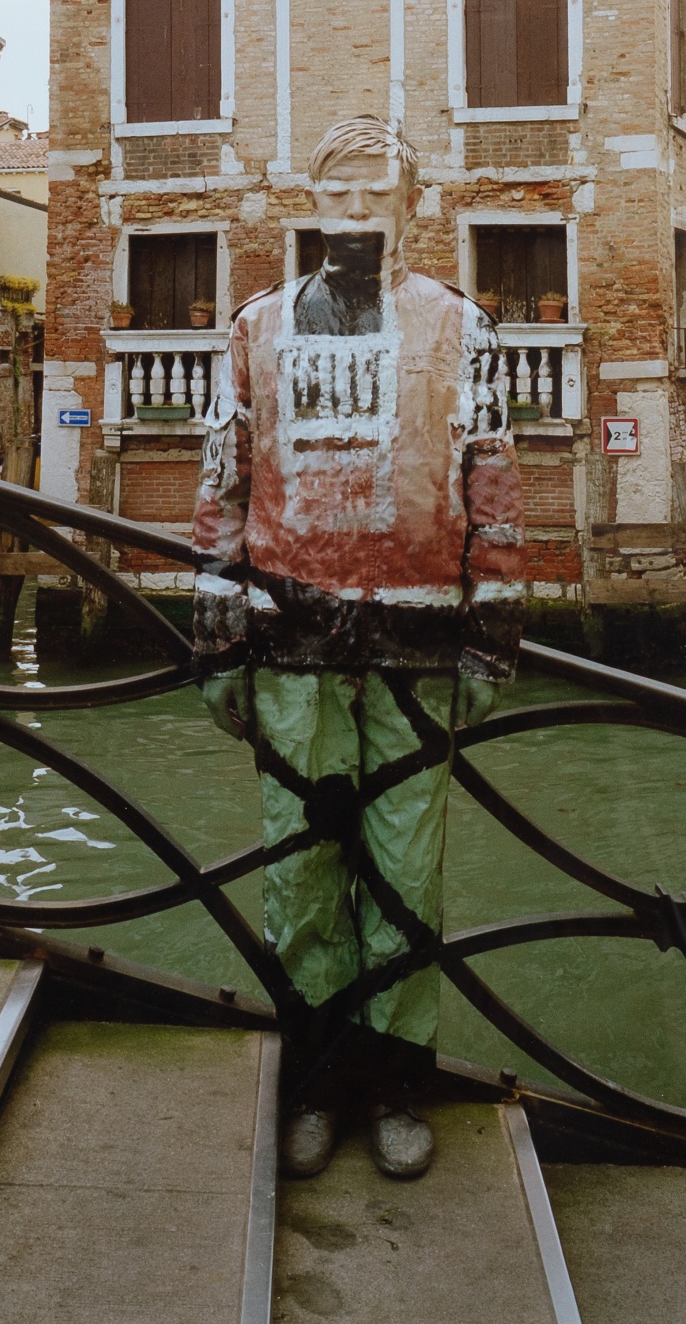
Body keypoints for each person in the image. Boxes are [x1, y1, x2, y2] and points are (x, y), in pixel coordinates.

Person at [191, 115, 524, 1181]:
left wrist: (490, 639)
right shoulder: (253, 329)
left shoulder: (463, 328)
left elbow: (493, 483)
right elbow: (223, 478)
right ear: (311, 198)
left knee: (405, 873)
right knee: (299, 868)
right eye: (339, 186)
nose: (356, 205)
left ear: (409, 203)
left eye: (377, 188)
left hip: (418, 645)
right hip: (289, 643)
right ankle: (314, 1079)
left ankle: (394, 1082)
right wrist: (217, 635)